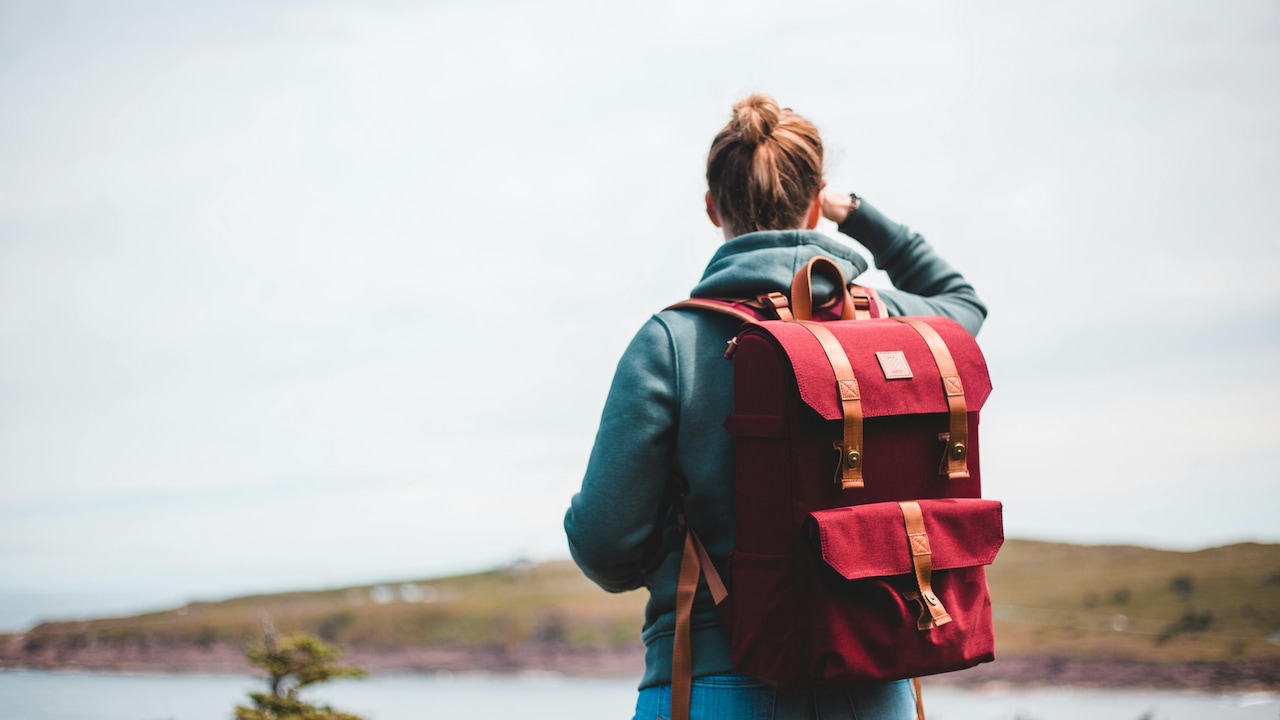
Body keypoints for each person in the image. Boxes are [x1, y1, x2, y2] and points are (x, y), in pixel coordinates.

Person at [564, 94, 987, 720]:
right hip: (874, 679)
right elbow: (962, 299)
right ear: (817, 199)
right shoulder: (891, 323)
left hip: (712, 675)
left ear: (712, 207)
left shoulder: (672, 341)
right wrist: (857, 214)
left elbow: (605, 545)